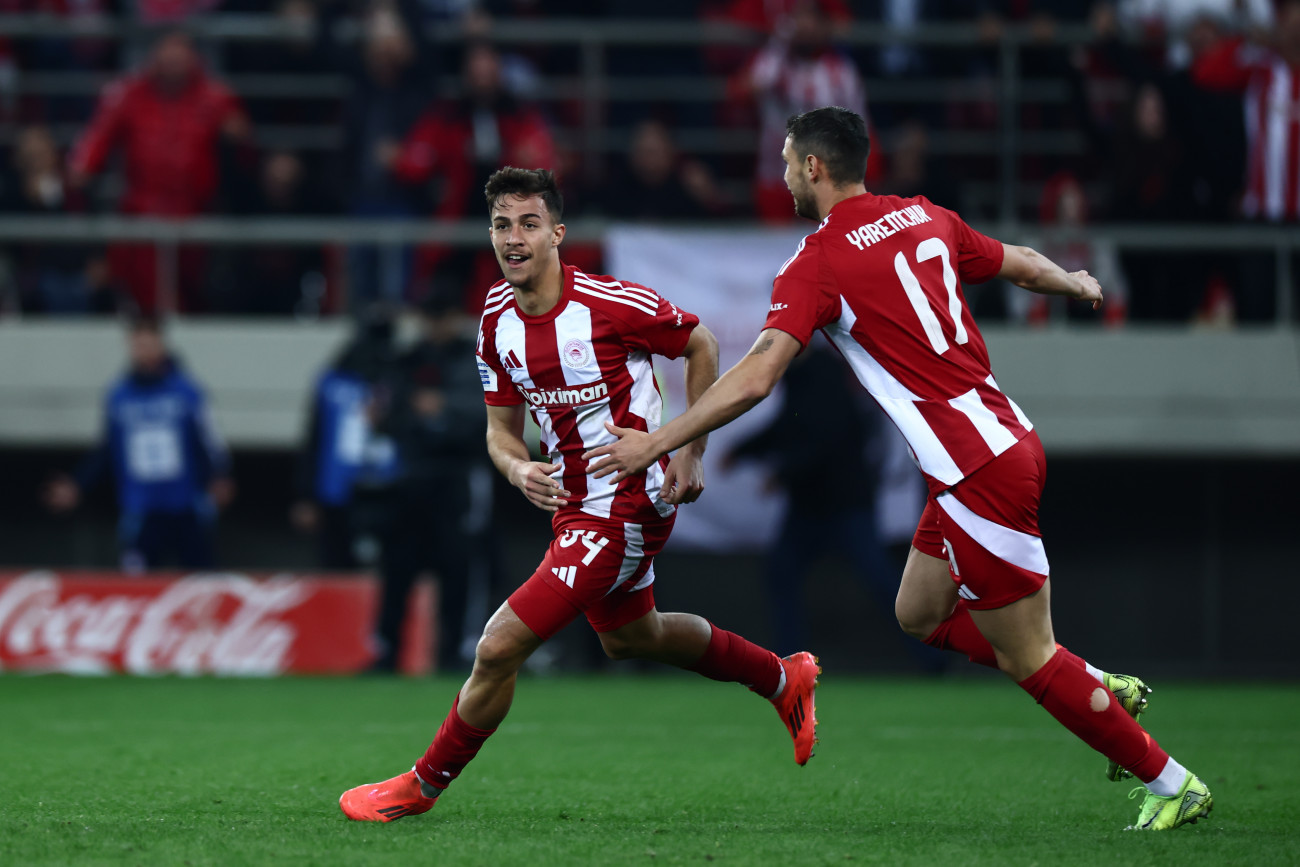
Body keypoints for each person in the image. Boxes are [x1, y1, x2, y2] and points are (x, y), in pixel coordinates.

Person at [586, 107, 1214, 832]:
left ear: (814, 167)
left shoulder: (817, 260)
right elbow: (1019, 259)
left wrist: (661, 441)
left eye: (788, 163)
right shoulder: (923, 216)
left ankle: (1171, 781)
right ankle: (1093, 682)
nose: (784, 176)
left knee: (1029, 656)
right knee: (917, 611)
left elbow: (757, 376)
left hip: (976, 467)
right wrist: (1072, 281)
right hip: (993, 444)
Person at [338, 167, 819, 823]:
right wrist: (518, 471)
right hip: (574, 508)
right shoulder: (495, 321)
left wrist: (689, 449)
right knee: (633, 636)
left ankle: (420, 786)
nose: (514, 238)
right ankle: (782, 677)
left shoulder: (609, 304)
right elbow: (500, 434)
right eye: (502, 225)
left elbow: (701, 344)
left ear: (557, 234)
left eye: (529, 224)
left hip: (627, 503)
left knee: (497, 646)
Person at [67, 30, 252, 313]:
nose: (173, 59)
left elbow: (246, 156)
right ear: (154, 56)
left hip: (197, 217)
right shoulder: (128, 94)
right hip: (142, 216)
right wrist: (83, 166)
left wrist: (239, 139)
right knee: (148, 298)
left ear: (193, 58)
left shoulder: (216, 96)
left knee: (195, 297)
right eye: (167, 51)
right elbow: (94, 141)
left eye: (180, 51)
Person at [44, 316, 233, 572]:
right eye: (139, 345)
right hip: (141, 507)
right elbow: (106, 448)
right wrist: (77, 484)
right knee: (138, 577)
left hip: (187, 505)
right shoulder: (119, 395)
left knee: (200, 579)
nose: (144, 352)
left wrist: (220, 475)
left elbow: (209, 437)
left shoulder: (187, 391)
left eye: (150, 344)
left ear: (161, 345)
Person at [366, 292, 488, 672]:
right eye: (429, 317)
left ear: (456, 317)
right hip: (409, 477)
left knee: (458, 568)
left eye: (441, 317)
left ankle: (455, 652)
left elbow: (489, 417)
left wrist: (443, 411)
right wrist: (393, 416)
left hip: (457, 477)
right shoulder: (406, 360)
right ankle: (387, 652)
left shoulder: (476, 358)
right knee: (397, 568)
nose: (434, 326)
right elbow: (386, 416)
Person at [291, 312, 396, 570]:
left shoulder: (400, 378)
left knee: (388, 570)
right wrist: (306, 495)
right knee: (336, 566)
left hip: (387, 491)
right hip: (337, 494)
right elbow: (314, 439)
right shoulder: (332, 381)